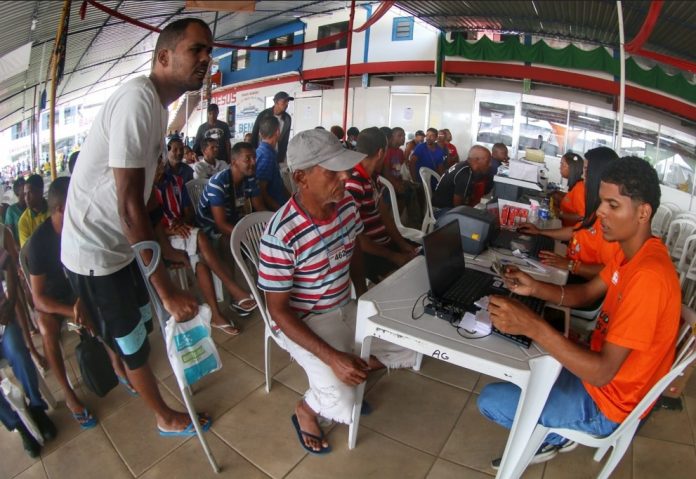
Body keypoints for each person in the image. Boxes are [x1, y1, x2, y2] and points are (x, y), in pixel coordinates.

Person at [61, 17, 213, 437]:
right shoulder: (137, 101)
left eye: (208, 50)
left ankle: (123, 357)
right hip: (95, 251)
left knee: (138, 324)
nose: (206, 58)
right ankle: (163, 415)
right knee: (133, 340)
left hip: (122, 243)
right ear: (163, 56)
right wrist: (167, 291)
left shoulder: (156, 111)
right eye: (196, 49)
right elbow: (128, 206)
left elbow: (145, 200)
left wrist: (163, 246)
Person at [479, 156, 681, 468]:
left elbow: (602, 373)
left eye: (613, 205)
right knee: (518, 361)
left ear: (643, 212)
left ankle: (557, 434)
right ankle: (553, 422)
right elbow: (585, 292)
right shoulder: (635, 253)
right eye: (602, 202)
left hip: (606, 405)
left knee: (491, 400)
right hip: (597, 374)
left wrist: (532, 325)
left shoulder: (649, 278)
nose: (600, 212)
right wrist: (535, 288)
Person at [257, 128, 417, 454]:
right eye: (333, 171)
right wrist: (331, 357)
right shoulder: (281, 234)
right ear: (301, 177)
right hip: (304, 319)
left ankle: (348, 368)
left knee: (412, 348)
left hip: (344, 303)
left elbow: (355, 247)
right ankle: (307, 408)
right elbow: (278, 311)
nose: (344, 176)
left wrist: (362, 296)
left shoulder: (344, 205)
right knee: (343, 405)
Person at [27, 177, 133, 427]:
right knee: (47, 329)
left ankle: (117, 364)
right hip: (53, 301)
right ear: (61, 208)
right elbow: (38, 298)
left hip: (77, 289)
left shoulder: (78, 228)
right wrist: (71, 310)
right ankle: (68, 393)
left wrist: (83, 299)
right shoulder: (39, 243)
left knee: (101, 300)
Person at [153, 161, 256, 336]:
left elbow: (189, 211)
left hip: (183, 231)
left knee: (200, 259)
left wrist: (181, 221)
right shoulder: (146, 191)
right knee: (200, 236)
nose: (159, 165)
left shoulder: (176, 181)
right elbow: (148, 226)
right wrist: (168, 229)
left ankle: (216, 315)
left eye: (159, 161)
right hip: (162, 238)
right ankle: (234, 290)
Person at [518, 147, 619, 280]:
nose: (583, 175)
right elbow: (575, 231)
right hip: (570, 268)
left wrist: (571, 265)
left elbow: (608, 269)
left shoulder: (610, 220)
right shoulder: (595, 208)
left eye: (586, 170)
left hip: (581, 280)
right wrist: (540, 232)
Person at [0, 244, 57, 457]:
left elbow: (8, 266)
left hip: (3, 324)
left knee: (19, 352)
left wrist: (10, 301)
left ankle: (36, 406)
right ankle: (20, 425)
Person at [345, 127, 419, 283]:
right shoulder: (354, 183)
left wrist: (401, 243)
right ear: (380, 153)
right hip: (369, 254)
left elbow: (384, 215)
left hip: (384, 246)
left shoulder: (373, 178)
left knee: (421, 254)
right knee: (407, 279)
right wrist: (395, 256)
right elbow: (358, 239)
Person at [196, 142, 265, 265]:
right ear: (234, 162)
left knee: (266, 236)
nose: (253, 162)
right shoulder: (218, 183)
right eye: (248, 159)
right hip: (210, 227)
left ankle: (260, 277)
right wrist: (248, 234)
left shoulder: (250, 177)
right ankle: (231, 281)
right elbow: (221, 224)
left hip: (234, 219)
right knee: (228, 241)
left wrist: (267, 227)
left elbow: (260, 208)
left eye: (254, 157)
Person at [431, 145, 491, 211]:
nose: (490, 164)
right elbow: (457, 206)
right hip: (443, 211)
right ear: (477, 160)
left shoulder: (463, 165)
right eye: (488, 161)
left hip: (442, 207)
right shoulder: (465, 173)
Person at [255, 116, 290, 211]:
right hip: (274, 209)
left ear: (260, 133)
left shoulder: (263, 151)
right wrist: (280, 212)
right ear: (278, 132)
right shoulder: (267, 156)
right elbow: (262, 191)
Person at [251, 91, 293, 163]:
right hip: (262, 154)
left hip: (276, 155)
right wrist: (253, 154)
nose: (286, 104)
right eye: (284, 101)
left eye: (288, 102)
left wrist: (281, 157)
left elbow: (285, 139)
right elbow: (254, 133)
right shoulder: (263, 115)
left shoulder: (287, 118)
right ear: (276, 102)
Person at [552, 152, 585, 227]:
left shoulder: (579, 187)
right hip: (566, 227)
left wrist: (559, 214)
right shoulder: (575, 185)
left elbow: (581, 216)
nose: (560, 167)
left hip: (572, 233)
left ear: (571, 168)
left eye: (562, 164)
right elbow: (572, 199)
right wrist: (558, 193)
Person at [18, 174, 48, 247]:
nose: (27, 198)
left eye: (30, 193)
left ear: (40, 192)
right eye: (25, 194)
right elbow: (27, 250)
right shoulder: (24, 221)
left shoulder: (54, 210)